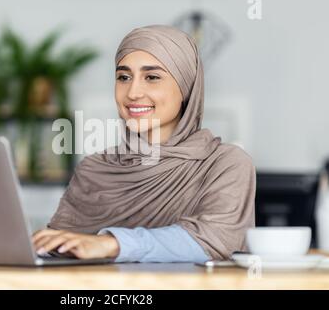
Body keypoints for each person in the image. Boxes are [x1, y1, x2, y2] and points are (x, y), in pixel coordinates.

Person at [31, 24, 256, 263]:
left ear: (186, 87)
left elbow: (216, 239)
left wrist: (112, 244)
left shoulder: (225, 164)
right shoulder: (93, 169)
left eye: (152, 77)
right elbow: (61, 246)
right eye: (124, 77)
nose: (133, 92)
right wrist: (42, 243)